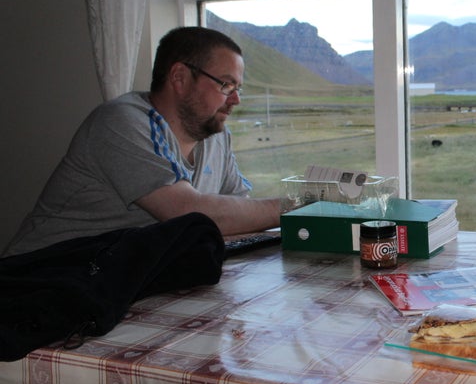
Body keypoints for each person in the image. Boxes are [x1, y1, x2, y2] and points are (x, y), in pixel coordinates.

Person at [3, 27, 293, 257]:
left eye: (238, 88)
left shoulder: (216, 137)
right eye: (226, 85)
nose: (236, 100)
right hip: (40, 279)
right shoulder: (121, 122)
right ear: (179, 77)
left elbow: (237, 213)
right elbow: (186, 214)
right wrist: (296, 206)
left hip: (117, 277)